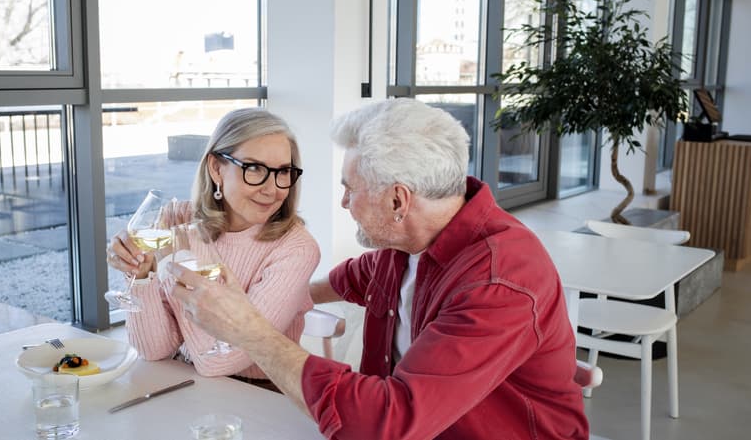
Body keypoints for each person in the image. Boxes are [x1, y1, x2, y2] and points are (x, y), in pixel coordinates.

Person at [168, 98, 589, 439]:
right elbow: (360, 274)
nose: (343, 204)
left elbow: (387, 422)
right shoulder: (407, 242)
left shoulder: (500, 282)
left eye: (350, 189)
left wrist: (249, 330)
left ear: (397, 201)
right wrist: (291, 291)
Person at [106, 108, 320, 389]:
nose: (273, 189)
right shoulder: (177, 219)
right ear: (216, 168)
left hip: (260, 399)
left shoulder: (296, 249)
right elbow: (153, 350)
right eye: (254, 169)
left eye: (283, 172)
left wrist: (186, 255)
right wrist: (141, 275)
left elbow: (215, 361)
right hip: (187, 386)